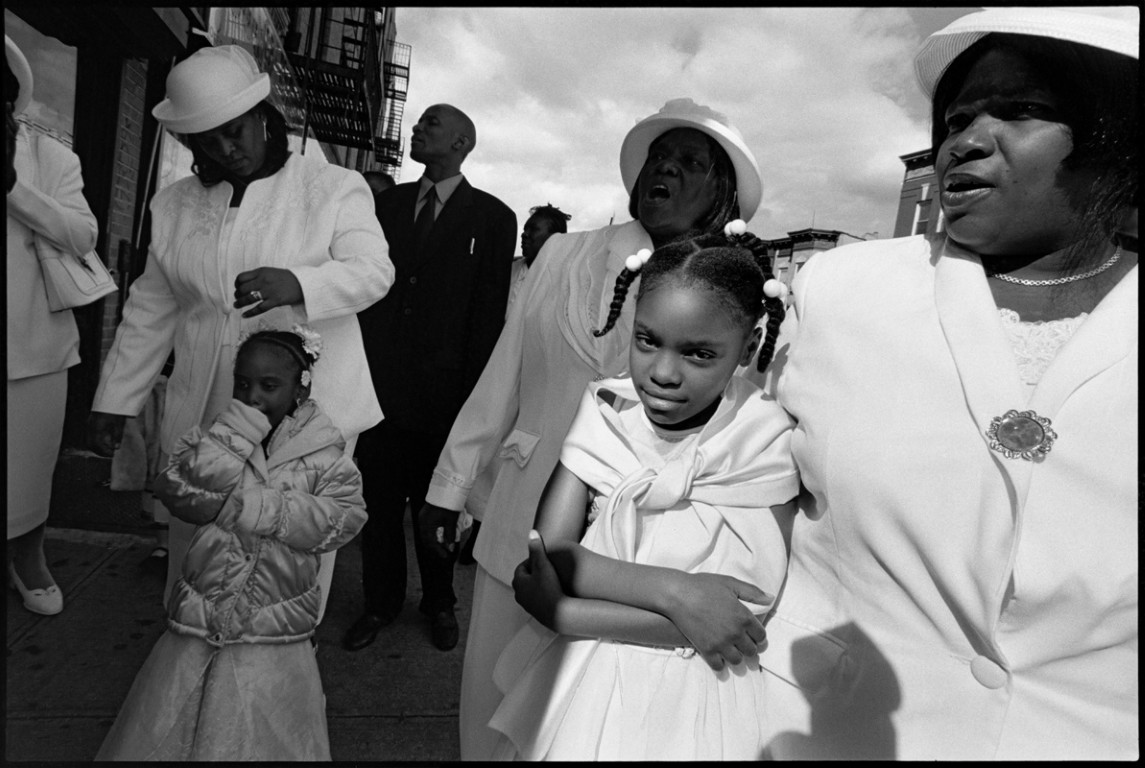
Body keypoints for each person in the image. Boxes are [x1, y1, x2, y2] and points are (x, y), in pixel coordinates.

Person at [753, 7, 1138, 760]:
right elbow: (752, 495)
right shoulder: (840, 291)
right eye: (956, 117)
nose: (962, 140)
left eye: (1021, 109)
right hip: (830, 731)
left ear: (1116, 134)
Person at [415, 97, 765, 759]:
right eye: (657, 157)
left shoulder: (736, 296)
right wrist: (450, 487)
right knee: (489, 718)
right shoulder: (562, 258)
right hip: (520, 525)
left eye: (688, 162)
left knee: (587, 727)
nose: (663, 169)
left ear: (721, 194)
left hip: (639, 559)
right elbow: (503, 378)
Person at [86, 45, 393, 623]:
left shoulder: (331, 186)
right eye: (209, 142)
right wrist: (116, 398)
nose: (229, 150)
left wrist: (298, 283)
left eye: (235, 132)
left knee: (288, 562)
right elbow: (153, 305)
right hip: (208, 405)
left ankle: (277, 689)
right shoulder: (175, 204)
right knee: (197, 551)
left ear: (262, 116)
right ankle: (194, 678)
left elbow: (375, 273)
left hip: (305, 412)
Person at [486, 225, 799, 760]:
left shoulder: (763, 438)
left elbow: (735, 620)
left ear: (748, 347)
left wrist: (567, 614)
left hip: (701, 702)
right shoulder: (606, 412)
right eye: (647, 340)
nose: (662, 373)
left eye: (699, 354)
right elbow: (551, 556)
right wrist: (677, 594)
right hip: (582, 682)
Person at [96, 327, 366, 760]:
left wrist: (263, 509)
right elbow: (181, 491)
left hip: (273, 624)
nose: (253, 396)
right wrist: (231, 438)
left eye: (269, 385)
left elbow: (343, 519)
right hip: (204, 613)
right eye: (243, 383)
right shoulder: (214, 437)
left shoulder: (325, 455)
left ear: (301, 388)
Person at [347, 104, 517, 653]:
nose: (418, 129)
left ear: (463, 141)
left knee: (436, 508)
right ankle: (380, 603)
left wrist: (472, 404)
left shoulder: (492, 217)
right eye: (418, 122)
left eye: (431, 124)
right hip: (379, 390)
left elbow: (488, 315)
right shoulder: (386, 205)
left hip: (444, 399)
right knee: (377, 508)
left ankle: (440, 602)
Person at [6, 34, 99, 616]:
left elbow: (83, 235)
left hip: (33, 346)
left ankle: (27, 554)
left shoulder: (50, 158)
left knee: (28, 466)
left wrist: (14, 189)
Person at [458, 202, 574, 566]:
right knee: (484, 455)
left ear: (555, 239)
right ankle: (475, 529)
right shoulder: (507, 271)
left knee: (512, 460)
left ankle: (498, 534)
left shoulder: (565, 280)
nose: (525, 236)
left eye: (533, 231)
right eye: (525, 230)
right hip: (491, 372)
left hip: (532, 383)